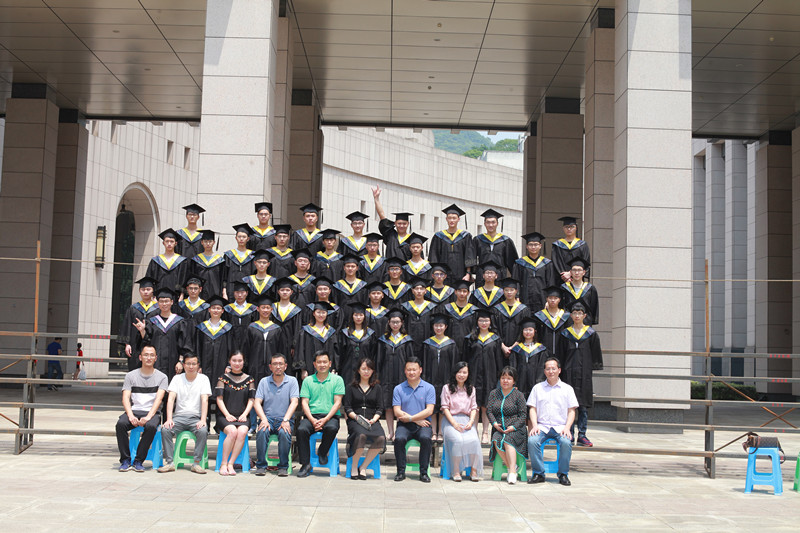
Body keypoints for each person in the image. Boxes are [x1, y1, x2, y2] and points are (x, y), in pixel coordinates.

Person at [115, 344, 168, 472]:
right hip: (134, 411)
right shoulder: (130, 376)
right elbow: (125, 398)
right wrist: (130, 415)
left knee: (151, 426)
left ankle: (138, 461)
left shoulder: (162, 377)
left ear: (156, 358)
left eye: (151, 355)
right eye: (146, 355)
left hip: (152, 413)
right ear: (140, 357)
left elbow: (158, 400)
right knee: (120, 425)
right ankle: (125, 460)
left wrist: (148, 417)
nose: (148, 358)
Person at [556, 303, 603, 447]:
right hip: (568, 373)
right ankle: (569, 433)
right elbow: (560, 354)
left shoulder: (591, 334)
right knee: (568, 405)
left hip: (584, 374)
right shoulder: (565, 334)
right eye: (574, 313)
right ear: (571, 316)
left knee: (583, 406)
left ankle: (582, 435)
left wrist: (592, 369)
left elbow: (595, 354)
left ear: (584, 315)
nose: (577, 316)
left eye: (580, 313)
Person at [527, 356, 578, 486]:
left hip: (560, 427)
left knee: (566, 443)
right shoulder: (537, 388)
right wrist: (534, 426)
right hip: (542, 426)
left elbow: (572, 411)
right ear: (544, 371)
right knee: (532, 441)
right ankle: (539, 473)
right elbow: (532, 408)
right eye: (548, 369)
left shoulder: (567, 389)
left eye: (553, 368)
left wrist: (567, 428)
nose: (551, 371)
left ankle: (563, 474)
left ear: (559, 370)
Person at [158, 351, 211, 474]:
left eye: (194, 364)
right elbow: (171, 399)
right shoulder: (177, 378)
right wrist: (169, 419)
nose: (191, 366)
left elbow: (205, 400)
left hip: (196, 417)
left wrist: (203, 420)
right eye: (188, 364)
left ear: (198, 365)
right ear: (183, 365)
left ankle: (196, 463)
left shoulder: (203, 379)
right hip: (179, 417)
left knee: (203, 431)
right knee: (165, 430)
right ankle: (170, 463)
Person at [296, 350, 345, 478]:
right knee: (301, 429)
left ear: (330, 363)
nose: (322, 365)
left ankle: (323, 452)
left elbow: (338, 403)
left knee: (332, 428)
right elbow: (304, 402)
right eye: (319, 362)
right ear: (314, 364)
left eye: (325, 362)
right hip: (311, 416)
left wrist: (325, 419)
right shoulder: (308, 381)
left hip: (330, 416)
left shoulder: (337, 380)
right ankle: (305, 464)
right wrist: (312, 420)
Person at [253, 353, 299, 476]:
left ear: (285, 366)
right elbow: (257, 402)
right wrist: (263, 419)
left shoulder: (292, 381)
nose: (278, 366)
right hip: (267, 418)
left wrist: (286, 420)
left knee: (284, 433)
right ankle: (261, 465)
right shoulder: (264, 382)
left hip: (284, 419)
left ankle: (283, 466)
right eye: (275, 364)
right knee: (262, 432)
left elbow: (294, 402)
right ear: (270, 367)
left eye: (280, 364)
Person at [133, 287, 192, 381]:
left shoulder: (180, 322)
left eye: (166, 301)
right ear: (158, 303)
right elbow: (146, 343)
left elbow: (185, 344)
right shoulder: (152, 322)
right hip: (155, 364)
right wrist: (142, 331)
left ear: (172, 302)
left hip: (173, 364)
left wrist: (181, 361)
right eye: (161, 301)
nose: (164, 304)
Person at [392, 356, 435, 483]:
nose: (411, 372)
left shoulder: (429, 388)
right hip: (404, 425)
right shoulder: (398, 388)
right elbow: (397, 411)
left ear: (420, 370)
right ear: (405, 371)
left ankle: (423, 472)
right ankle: (400, 472)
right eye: (409, 369)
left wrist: (410, 418)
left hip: (424, 425)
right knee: (399, 439)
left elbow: (429, 410)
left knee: (426, 438)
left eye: (414, 369)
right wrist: (415, 420)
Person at [343, 358, 386, 480]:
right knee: (360, 435)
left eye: (369, 369)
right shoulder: (351, 387)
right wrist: (357, 418)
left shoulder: (377, 388)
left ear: (372, 371)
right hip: (355, 420)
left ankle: (363, 466)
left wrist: (373, 419)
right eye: (363, 369)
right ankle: (354, 466)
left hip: (372, 420)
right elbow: (347, 407)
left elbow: (380, 408)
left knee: (381, 438)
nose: (366, 372)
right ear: (358, 370)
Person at [465, 309, 504, 444]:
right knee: (474, 405)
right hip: (474, 375)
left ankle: (485, 432)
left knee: (487, 405)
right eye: (481, 320)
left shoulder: (496, 339)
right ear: (477, 322)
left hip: (490, 375)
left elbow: (499, 359)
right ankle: (474, 430)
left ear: (490, 322)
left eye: (486, 320)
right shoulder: (470, 338)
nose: (484, 323)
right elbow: (466, 358)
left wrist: (499, 376)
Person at [376, 309, 415, 440]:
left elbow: (410, 360)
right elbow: (378, 360)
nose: (395, 324)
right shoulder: (383, 340)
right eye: (393, 322)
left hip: (402, 376)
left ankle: (400, 430)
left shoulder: (407, 340)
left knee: (401, 404)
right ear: (389, 322)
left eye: (397, 322)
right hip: (386, 376)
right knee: (388, 405)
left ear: (402, 323)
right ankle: (391, 431)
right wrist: (378, 376)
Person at [214, 350, 255, 476]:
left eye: (240, 361)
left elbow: (251, 400)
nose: (237, 363)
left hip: (242, 416)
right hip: (224, 416)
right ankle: (223, 463)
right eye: (234, 361)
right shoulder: (223, 378)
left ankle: (231, 463)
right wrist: (227, 414)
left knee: (242, 432)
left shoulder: (249, 379)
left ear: (244, 362)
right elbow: (219, 399)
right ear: (229, 361)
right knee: (232, 431)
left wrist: (245, 414)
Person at [440, 361, 482, 482]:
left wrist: (471, 422)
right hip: (450, 420)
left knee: (474, 440)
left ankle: (473, 471)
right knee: (458, 440)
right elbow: (445, 408)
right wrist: (454, 424)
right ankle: (456, 470)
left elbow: (474, 408)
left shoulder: (471, 389)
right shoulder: (447, 388)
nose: (461, 375)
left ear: (468, 374)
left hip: (467, 420)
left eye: (464, 372)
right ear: (455, 373)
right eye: (459, 372)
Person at [486, 366, 528, 484]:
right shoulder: (494, 393)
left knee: (508, 441)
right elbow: (489, 411)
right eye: (503, 378)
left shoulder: (518, 395)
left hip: (516, 429)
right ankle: (512, 467)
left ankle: (512, 473)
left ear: (514, 381)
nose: (505, 381)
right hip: (499, 429)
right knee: (496, 439)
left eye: (509, 378)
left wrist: (513, 427)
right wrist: (494, 424)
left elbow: (523, 415)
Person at [421, 313, 457, 440]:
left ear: (445, 327)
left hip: (445, 378)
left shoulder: (451, 343)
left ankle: (440, 432)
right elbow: (424, 362)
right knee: (431, 404)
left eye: (441, 325)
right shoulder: (427, 343)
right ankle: (433, 432)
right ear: (433, 326)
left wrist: (452, 379)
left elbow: (453, 362)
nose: (438, 328)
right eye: (436, 325)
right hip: (430, 378)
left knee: (443, 404)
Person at [245, 295, 286, 385]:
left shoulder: (276, 329)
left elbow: (281, 349)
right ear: (258, 309)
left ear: (271, 309)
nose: (265, 310)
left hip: (272, 367)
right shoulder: (252, 327)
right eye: (263, 307)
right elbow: (246, 348)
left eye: (268, 308)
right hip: (254, 366)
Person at [429, 203, 476, 282]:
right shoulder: (439, 236)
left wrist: (468, 274)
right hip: (442, 276)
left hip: (461, 275)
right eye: (449, 218)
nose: (452, 220)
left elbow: (469, 256)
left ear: (458, 219)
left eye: (454, 218)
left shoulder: (465, 236)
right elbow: (434, 257)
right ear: (446, 219)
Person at [195, 295, 235, 386]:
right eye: (213, 308)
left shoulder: (227, 328)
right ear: (209, 310)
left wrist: (229, 366)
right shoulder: (202, 327)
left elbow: (231, 348)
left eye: (218, 308)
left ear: (222, 311)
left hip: (222, 365)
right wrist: (198, 365)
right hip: (204, 365)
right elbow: (198, 347)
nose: (216, 310)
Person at [513, 231, 557, 311]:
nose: (533, 247)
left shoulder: (547, 263)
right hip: (524, 299)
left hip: (542, 299)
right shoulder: (520, 263)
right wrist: (517, 296)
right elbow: (516, 282)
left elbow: (550, 283)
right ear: (527, 246)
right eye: (530, 244)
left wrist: (549, 299)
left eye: (536, 244)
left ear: (540, 246)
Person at [121, 276, 159, 371]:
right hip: (135, 344)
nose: (145, 292)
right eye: (143, 289)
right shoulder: (133, 308)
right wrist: (127, 344)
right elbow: (127, 326)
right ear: (139, 291)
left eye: (148, 289)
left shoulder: (158, 309)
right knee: (135, 369)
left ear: (153, 291)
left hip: (152, 343)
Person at [294, 302, 338, 379]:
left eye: (323, 312)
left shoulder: (331, 332)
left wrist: (334, 368)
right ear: (314, 313)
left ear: (327, 314)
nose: (321, 315)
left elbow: (335, 352)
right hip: (310, 369)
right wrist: (303, 369)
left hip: (328, 370)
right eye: (318, 312)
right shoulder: (306, 331)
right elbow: (300, 350)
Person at [474, 208, 518, 284]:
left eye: (493, 222)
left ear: (497, 223)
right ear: (484, 224)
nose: (490, 225)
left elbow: (512, 262)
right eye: (488, 222)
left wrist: (514, 280)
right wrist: (470, 273)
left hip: (500, 277)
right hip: (482, 277)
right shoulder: (478, 240)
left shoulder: (505, 241)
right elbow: (471, 257)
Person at [338, 303, 377, 384]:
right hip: (348, 370)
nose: (358, 317)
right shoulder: (345, 333)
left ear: (364, 316)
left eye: (361, 315)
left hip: (365, 371)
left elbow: (373, 354)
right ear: (352, 316)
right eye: (356, 315)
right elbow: (341, 353)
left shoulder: (370, 334)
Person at [372, 185, 412, 260]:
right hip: (390, 267)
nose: (401, 226)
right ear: (395, 223)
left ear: (408, 224)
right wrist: (376, 199)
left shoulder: (412, 239)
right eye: (399, 223)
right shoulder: (391, 235)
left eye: (404, 224)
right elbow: (382, 216)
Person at [493, 277, 531, 356]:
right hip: (500, 348)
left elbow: (524, 329)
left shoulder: (524, 310)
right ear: (503, 291)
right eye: (506, 290)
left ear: (516, 291)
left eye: (511, 290)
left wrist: (514, 346)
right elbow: (494, 329)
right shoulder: (497, 309)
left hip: (519, 348)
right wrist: (503, 347)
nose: (509, 292)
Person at [511, 319, 549, 398]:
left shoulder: (540, 349)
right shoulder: (517, 349)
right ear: (522, 331)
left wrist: (539, 381)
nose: (528, 332)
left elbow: (542, 366)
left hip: (535, 381)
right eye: (525, 330)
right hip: (520, 381)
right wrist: (514, 382)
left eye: (530, 330)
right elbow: (513, 366)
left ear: (535, 331)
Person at [145, 228, 189, 295]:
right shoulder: (156, 261)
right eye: (167, 241)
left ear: (176, 243)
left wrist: (182, 295)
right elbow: (150, 279)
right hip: (159, 295)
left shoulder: (182, 261)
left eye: (172, 241)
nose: (169, 244)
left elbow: (183, 280)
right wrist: (153, 295)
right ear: (163, 243)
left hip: (175, 296)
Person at [533, 286, 570, 361]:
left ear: (559, 300)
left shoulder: (566, 316)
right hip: (543, 352)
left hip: (562, 352)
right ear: (546, 299)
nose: (553, 300)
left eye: (555, 298)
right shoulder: (539, 316)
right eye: (550, 298)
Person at [401, 277, 435, 359]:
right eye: (416, 289)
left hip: (426, 344)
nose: (419, 291)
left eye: (421, 289)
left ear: (425, 291)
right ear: (412, 291)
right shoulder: (406, 306)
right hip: (410, 344)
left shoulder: (431, 307)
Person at [441, 279, 476, 355]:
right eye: (459, 291)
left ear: (468, 293)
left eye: (464, 291)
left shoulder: (473, 310)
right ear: (455, 292)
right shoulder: (448, 309)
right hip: (450, 346)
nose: (462, 294)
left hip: (468, 347)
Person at [551, 216, 591, 283]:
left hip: (578, 280)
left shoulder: (582, 245)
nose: (569, 229)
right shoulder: (557, 245)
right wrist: (564, 276)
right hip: (561, 281)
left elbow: (585, 262)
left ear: (576, 228)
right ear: (563, 228)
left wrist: (571, 273)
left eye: (572, 227)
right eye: (566, 227)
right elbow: (556, 263)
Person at [561, 258, 599, 326]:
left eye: (579, 270)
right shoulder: (564, 288)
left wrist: (591, 320)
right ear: (570, 272)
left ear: (584, 272)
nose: (577, 273)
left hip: (585, 323)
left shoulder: (590, 289)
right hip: (568, 323)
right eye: (574, 270)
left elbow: (593, 307)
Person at [190, 230, 226, 300]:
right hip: (200, 293)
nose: (208, 244)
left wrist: (224, 292)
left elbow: (223, 278)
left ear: (214, 242)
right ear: (202, 242)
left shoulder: (219, 260)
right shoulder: (196, 260)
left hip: (215, 292)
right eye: (205, 241)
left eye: (210, 241)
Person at [223, 224, 255, 300]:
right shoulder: (229, 255)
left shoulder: (252, 256)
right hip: (231, 290)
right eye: (239, 236)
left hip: (248, 291)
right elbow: (224, 276)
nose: (241, 239)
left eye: (244, 237)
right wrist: (224, 292)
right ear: (236, 238)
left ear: (248, 239)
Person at [223, 281, 257, 351]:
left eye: (242, 292)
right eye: (237, 292)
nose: (239, 295)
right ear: (234, 293)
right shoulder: (228, 309)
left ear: (247, 293)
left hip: (248, 342)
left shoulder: (252, 309)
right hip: (231, 342)